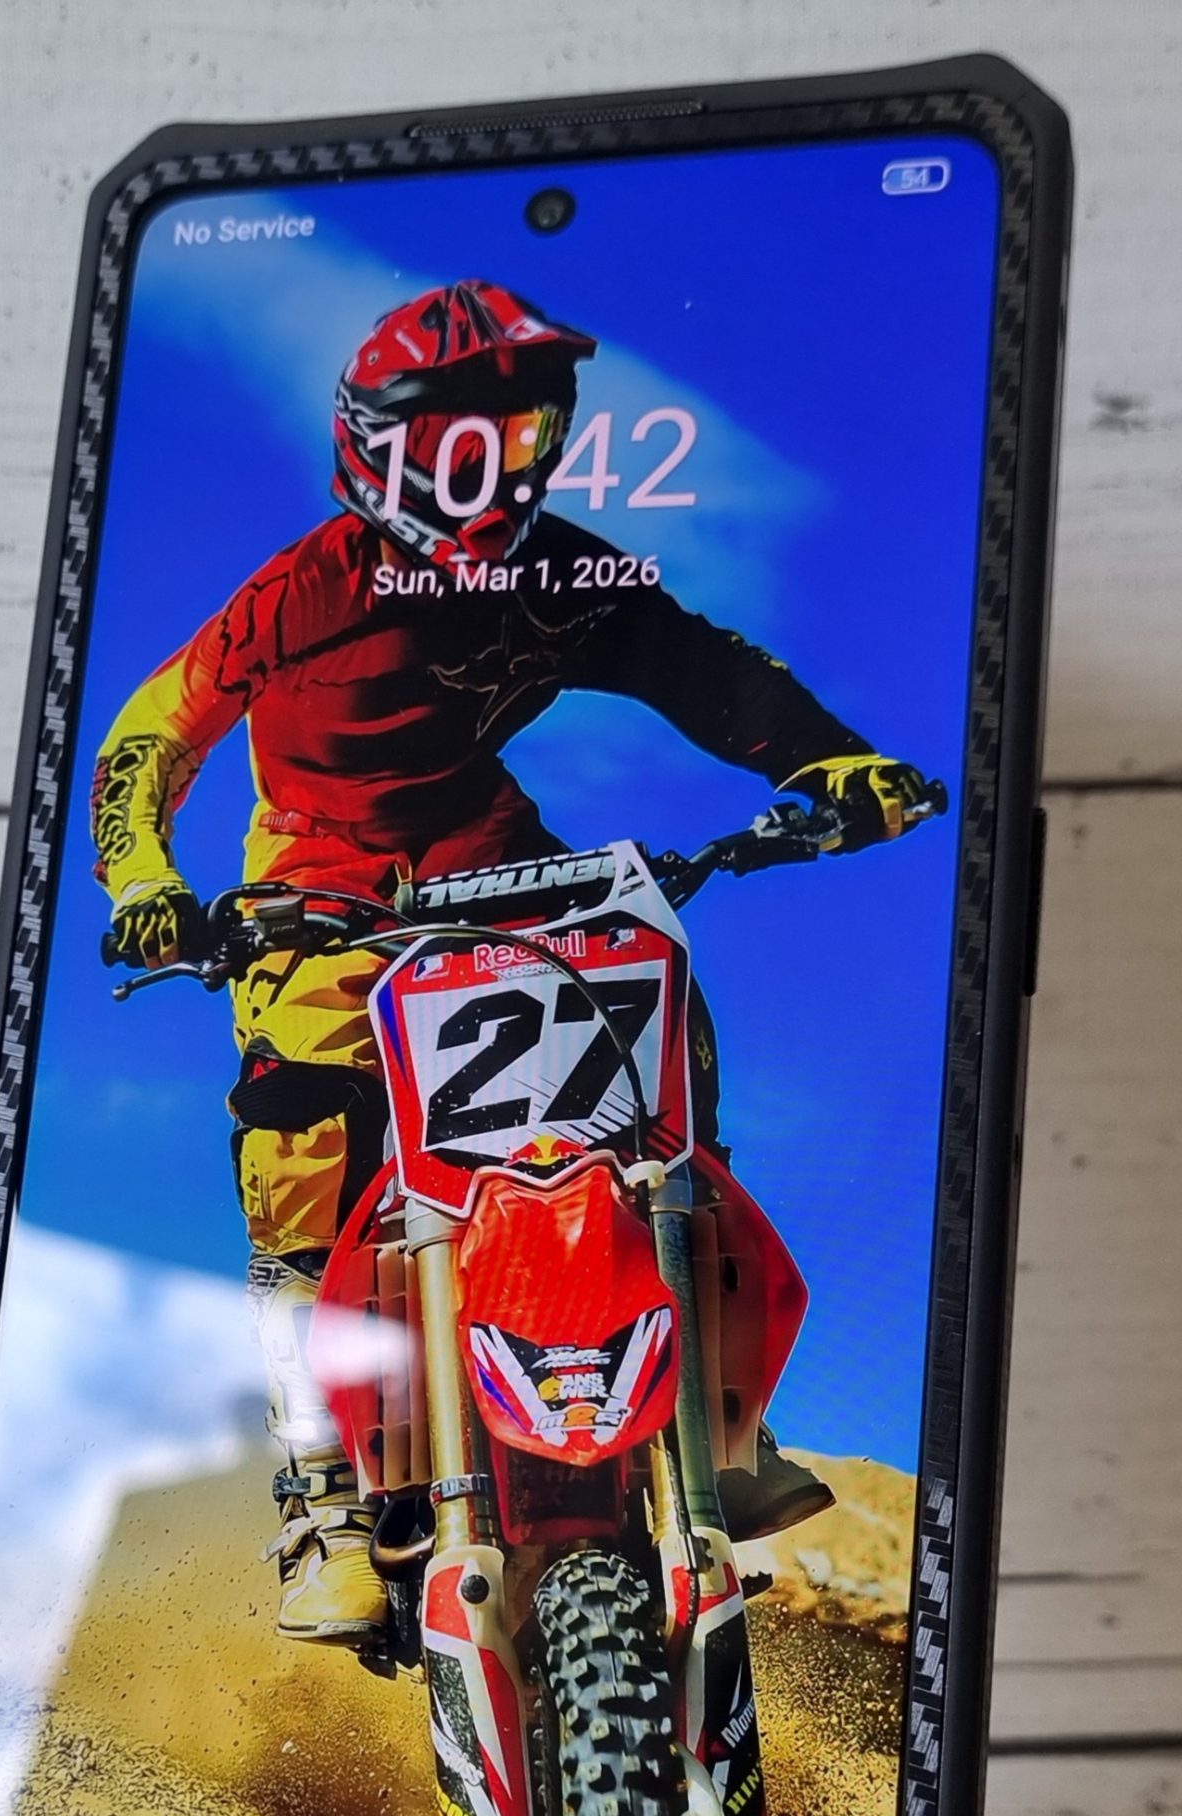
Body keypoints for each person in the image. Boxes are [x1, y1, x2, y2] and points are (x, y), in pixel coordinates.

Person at [93, 280, 939, 1641]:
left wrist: (827, 760)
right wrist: (146, 880)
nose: (500, 466)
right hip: (317, 884)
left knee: (653, 1018)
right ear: (384, 446)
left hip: (495, 852)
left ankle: (718, 1413)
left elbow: (703, 669)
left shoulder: (563, 572)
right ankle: (323, 1502)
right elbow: (154, 730)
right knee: (298, 1140)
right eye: (464, 440)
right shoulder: (314, 587)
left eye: (528, 431)